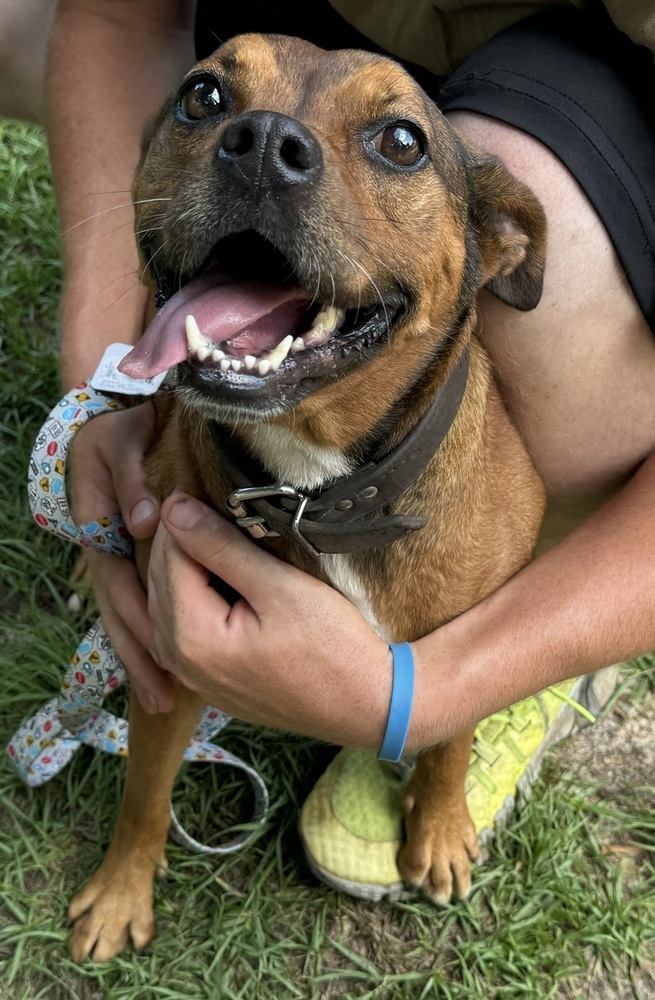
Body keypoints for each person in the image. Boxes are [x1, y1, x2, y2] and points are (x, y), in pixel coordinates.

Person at [5, 0, 655, 890]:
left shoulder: (488, 519)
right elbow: (112, 20)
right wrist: (102, 397)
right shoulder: (176, 465)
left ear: (495, 242)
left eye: (394, 144)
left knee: (577, 287)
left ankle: (498, 692)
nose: (263, 141)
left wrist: (430, 701)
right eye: (208, 103)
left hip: (593, 61)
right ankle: (139, 848)